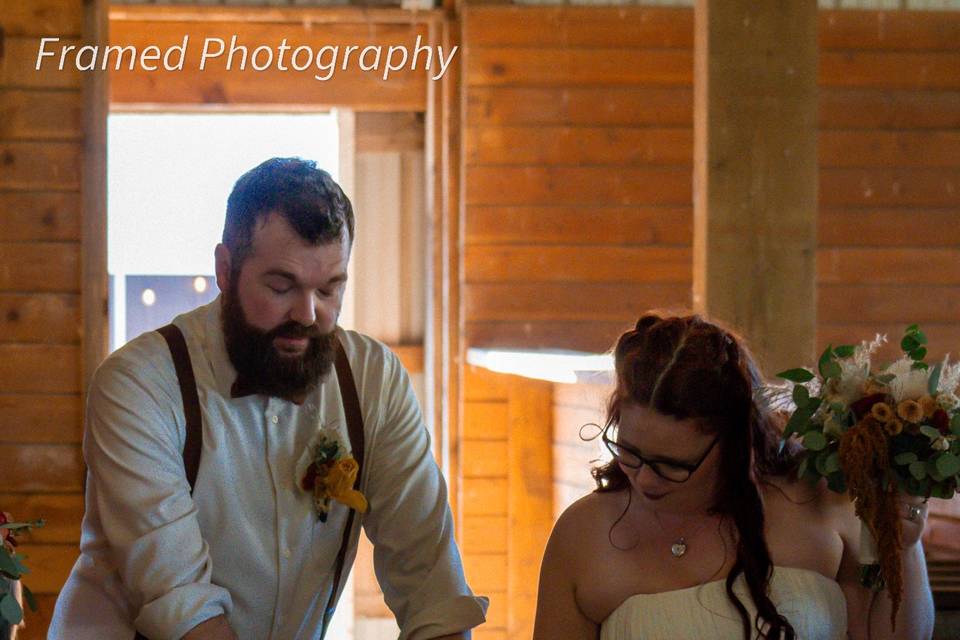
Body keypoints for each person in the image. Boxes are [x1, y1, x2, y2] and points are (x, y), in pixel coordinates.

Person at [50, 158, 487, 639]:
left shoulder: (373, 379)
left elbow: (430, 578)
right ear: (224, 269)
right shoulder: (138, 386)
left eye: (329, 288)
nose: (307, 313)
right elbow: (183, 610)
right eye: (281, 286)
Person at [532, 314, 935, 640]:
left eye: (673, 464)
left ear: (738, 442)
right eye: (630, 453)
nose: (645, 480)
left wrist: (901, 548)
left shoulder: (822, 500)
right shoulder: (583, 532)